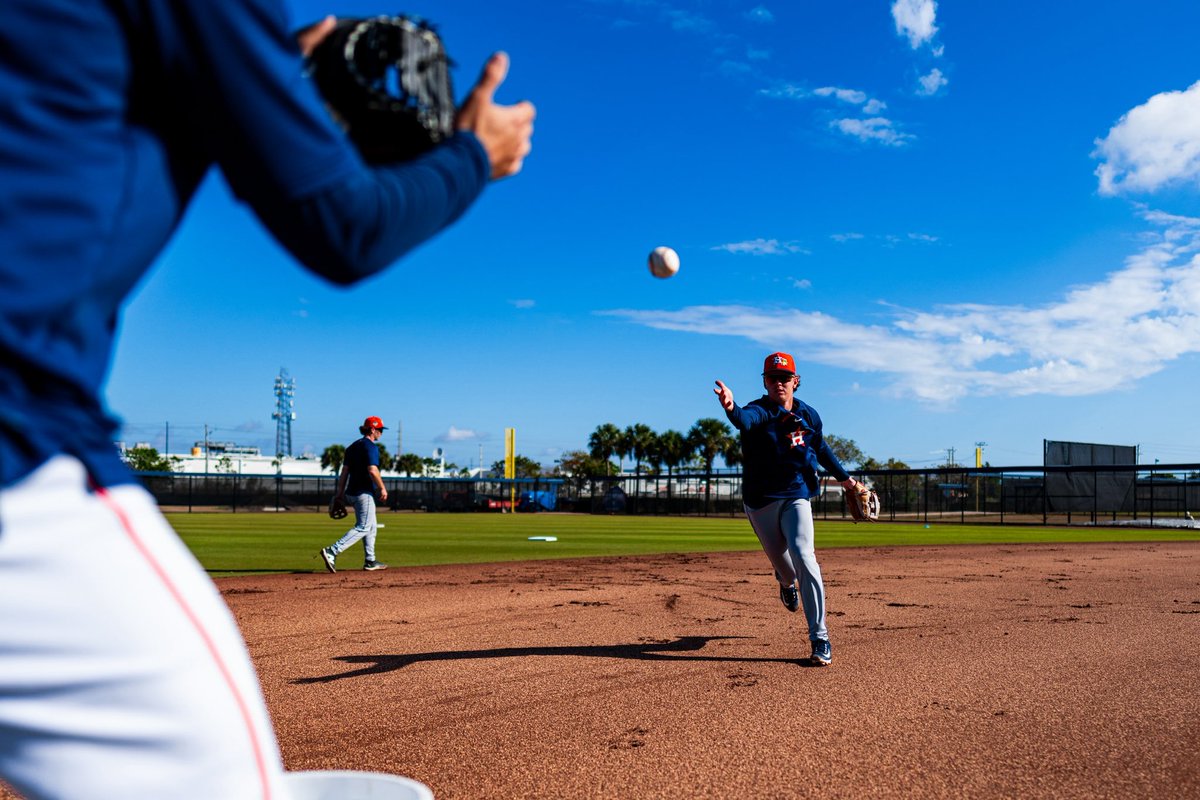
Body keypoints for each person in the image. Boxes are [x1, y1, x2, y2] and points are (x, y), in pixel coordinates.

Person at [0, 1, 534, 797]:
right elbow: (346, 227)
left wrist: (265, 77)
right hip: (18, 445)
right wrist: (471, 155)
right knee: (225, 780)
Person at [713, 352, 865, 667]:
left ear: (795, 381)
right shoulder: (760, 411)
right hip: (760, 500)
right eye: (773, 378)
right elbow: (743, 418)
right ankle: (784, 582)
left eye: (785, 378)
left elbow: (820, 448)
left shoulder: (809, 415)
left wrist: (847, 481)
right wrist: (730, 406)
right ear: (765, 382)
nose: (779, 383)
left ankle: (819, 637)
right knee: (789, 570)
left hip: (797, 493)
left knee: (804, 556)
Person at [320, 416, 391, 573]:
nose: (381, 433)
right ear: (372, 429)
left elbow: (344, 472)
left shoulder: (352, 447)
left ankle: (370, 561)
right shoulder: (371, 447)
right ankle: (332, 551)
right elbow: (373, 470)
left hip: (351, 492)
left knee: (371, 526)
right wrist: (382, 488)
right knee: (364, 527)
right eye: (379, 430)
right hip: (363, 493)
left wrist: (339, 493)